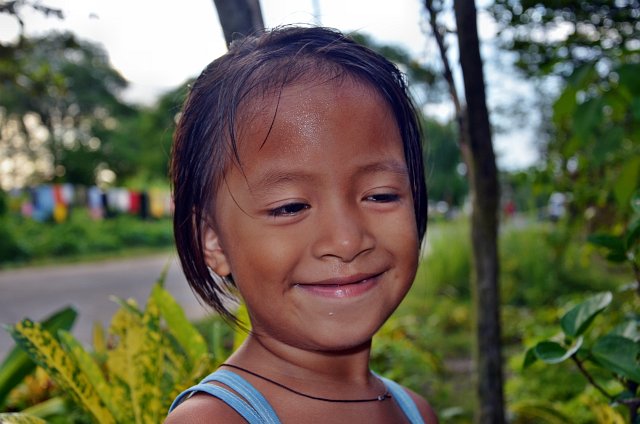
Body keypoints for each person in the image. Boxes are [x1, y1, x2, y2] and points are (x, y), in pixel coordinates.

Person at [165, 26, 438, 424]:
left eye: (380, 195)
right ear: (213, 241)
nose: (346, 240)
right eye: (290, 207)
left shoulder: (416, 411)